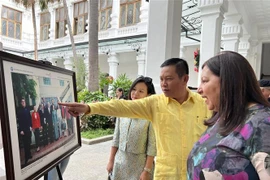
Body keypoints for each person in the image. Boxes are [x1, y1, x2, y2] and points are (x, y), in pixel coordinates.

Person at [59, 58, 212, 179]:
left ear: (185, 79)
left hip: (195, 174)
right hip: (166, 175)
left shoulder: (204, 104)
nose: (163, 84)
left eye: (169, 79)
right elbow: (122, 106)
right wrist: (89, 108)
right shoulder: (155, 104)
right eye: (161, 79)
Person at [187, 51, 270, 180]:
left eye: (205, 81)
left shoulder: (263, 124)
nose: (199, 89)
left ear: (228, 81)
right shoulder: (224, 117)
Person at [107, 76, 156, 180]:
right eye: (134, 89)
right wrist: (111, 161)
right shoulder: (122, 111)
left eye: (141, 91)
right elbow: (116, 139)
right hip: (120, 164)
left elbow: (152, 147)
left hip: (140, 167)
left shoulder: (150, 116)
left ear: (149, 95)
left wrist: (146, 171)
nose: (135, 93)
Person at [17, 98, 32, 166]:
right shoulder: (19, 111)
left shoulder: (27, 110)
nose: (23, 103)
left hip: (28, 129)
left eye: (24, 101)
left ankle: (29, 155)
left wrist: (30, 126)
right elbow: (20, 122)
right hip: (23, 130)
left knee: (29, 142)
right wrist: (21, 130)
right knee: (25, 144)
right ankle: (26, 157)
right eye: (22, 102)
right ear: (21, 103)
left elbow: (29, 118)